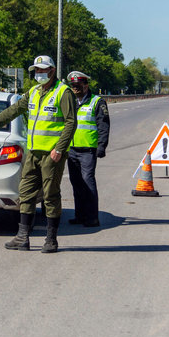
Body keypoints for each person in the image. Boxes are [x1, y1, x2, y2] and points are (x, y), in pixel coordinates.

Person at [0, 55, 77, 253]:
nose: (39, 73)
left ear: (52, 71)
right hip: (34, 152)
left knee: (51, 195)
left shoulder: (63, 92)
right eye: (36, 70)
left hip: (52, 155)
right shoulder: (34, 92)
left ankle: (51, 240)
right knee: (26, 193)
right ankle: (22, 237)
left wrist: (59, 148)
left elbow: (71, 122)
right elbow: (13, 111)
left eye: (43, 70)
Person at [66, 71, 110, 227]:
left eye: (78, 86)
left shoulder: (97, 102)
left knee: (87, 181)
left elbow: (103, 125)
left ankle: (92, 217)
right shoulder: (70, 101)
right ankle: (80, 215)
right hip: (71, 150)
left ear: (86, 85)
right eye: (73, 86)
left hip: (88, 150)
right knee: (76, 183)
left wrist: (102, 146)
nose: (75, 89)